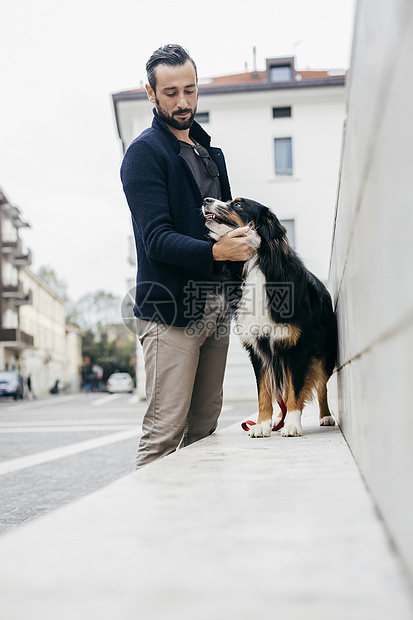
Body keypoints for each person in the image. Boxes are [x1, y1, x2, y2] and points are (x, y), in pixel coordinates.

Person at [121, 44, 256, 469]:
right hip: (170, 313)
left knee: (204, 430)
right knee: (163, 434)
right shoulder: (144, 154)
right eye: (171, 92)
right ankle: (150, 530)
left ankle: (194, 529)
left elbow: (226, 221)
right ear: (151, 93)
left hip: (215, 304)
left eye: (191, 90)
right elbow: (156, 239)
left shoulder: (209, 152)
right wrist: (218, 250)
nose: (183, 102)